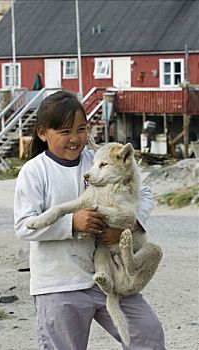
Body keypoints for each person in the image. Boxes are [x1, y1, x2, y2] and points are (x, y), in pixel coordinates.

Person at [14, 90, 165, 350]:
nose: (75, 139)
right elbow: (24, 226)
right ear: (42, 133)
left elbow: (144, 193)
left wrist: (129, 226)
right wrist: (72, 223)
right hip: (59, 284)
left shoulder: (97, 161)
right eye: (64, 132)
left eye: (81, 129)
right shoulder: (35, 171)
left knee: (148, 335)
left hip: (109, 278)